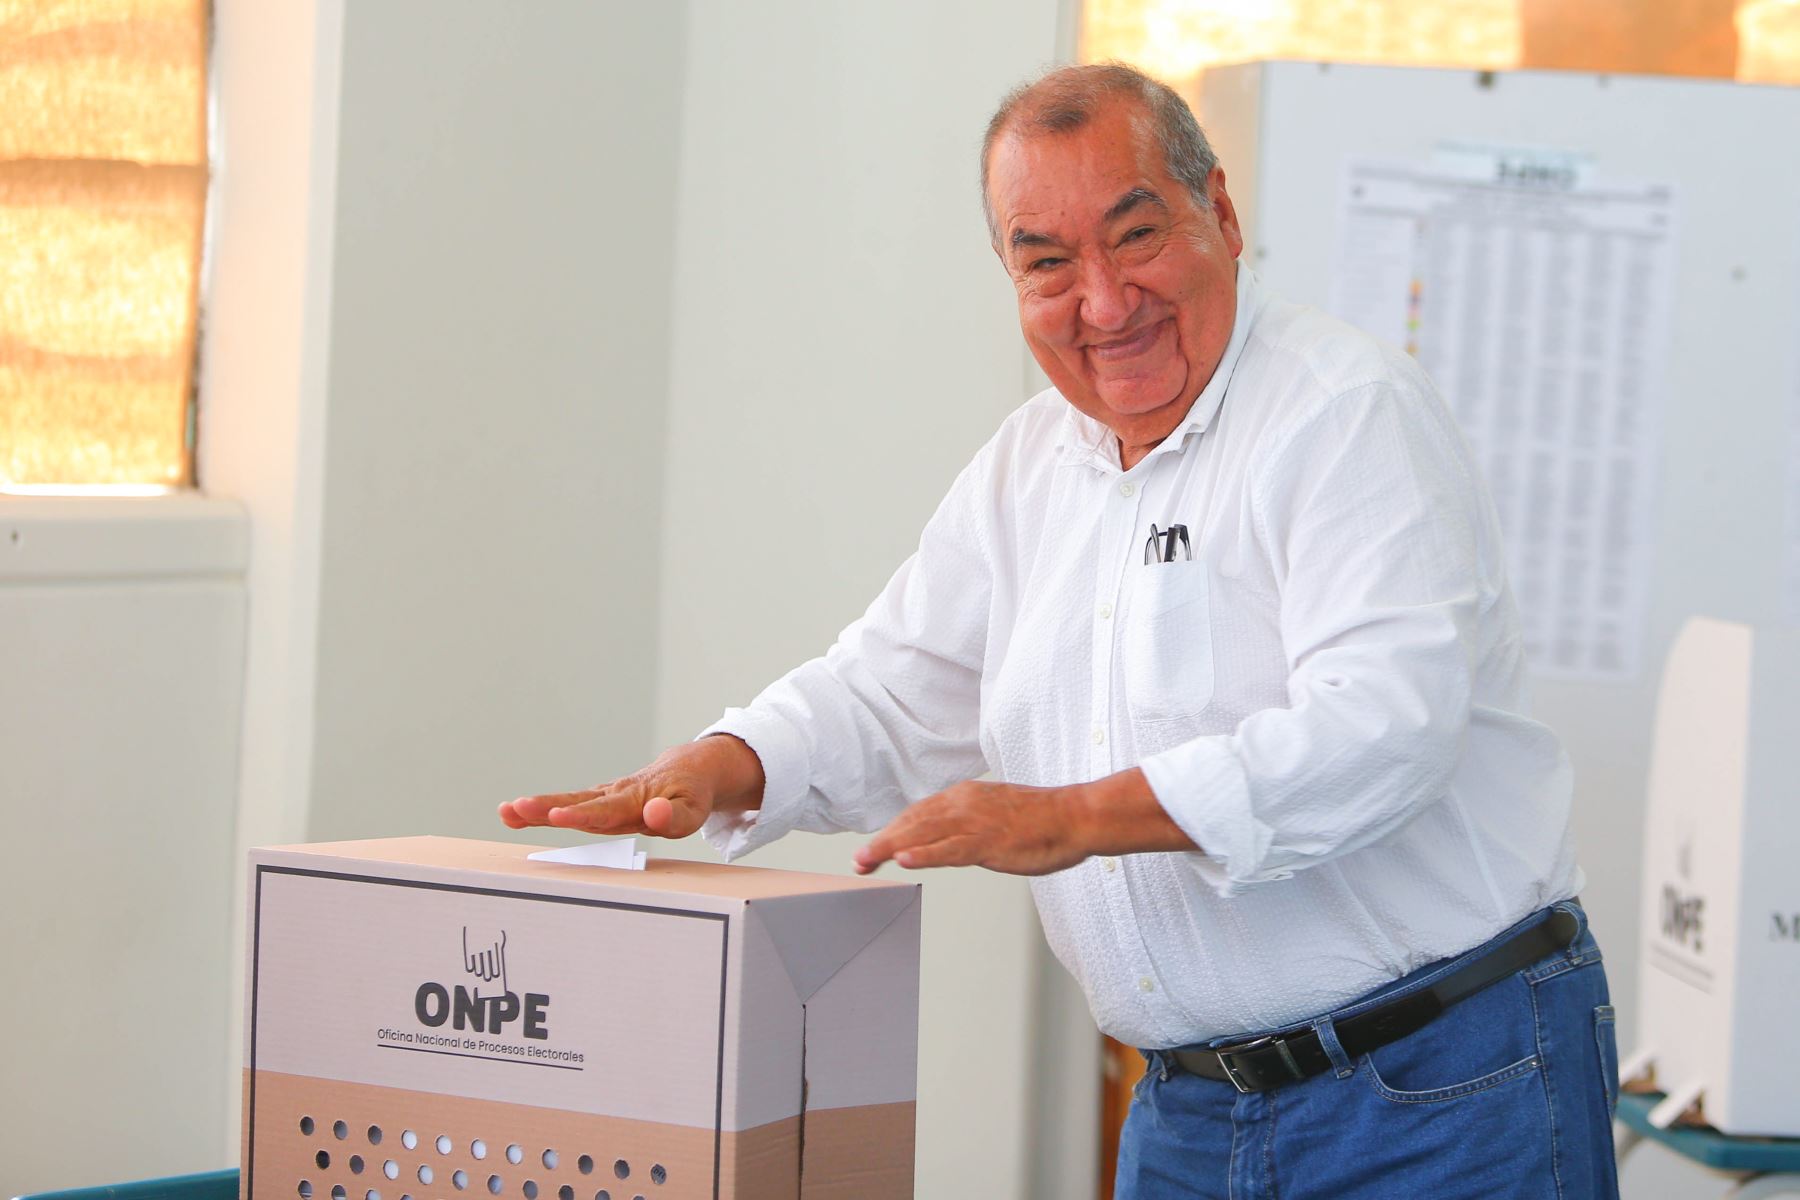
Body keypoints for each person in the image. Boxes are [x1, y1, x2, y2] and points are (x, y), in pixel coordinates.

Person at [501, 63, 1619, 1199]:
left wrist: (1073, 816)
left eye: (1135, 238)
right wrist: (720, 767)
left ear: (1221, 216)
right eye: (1047, 263)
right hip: (1191, 1108)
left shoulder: (1344, 414)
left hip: (1437, 1086)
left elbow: (1385, 729)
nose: (1103, 302)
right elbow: (888, 690)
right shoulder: (1031, 466)